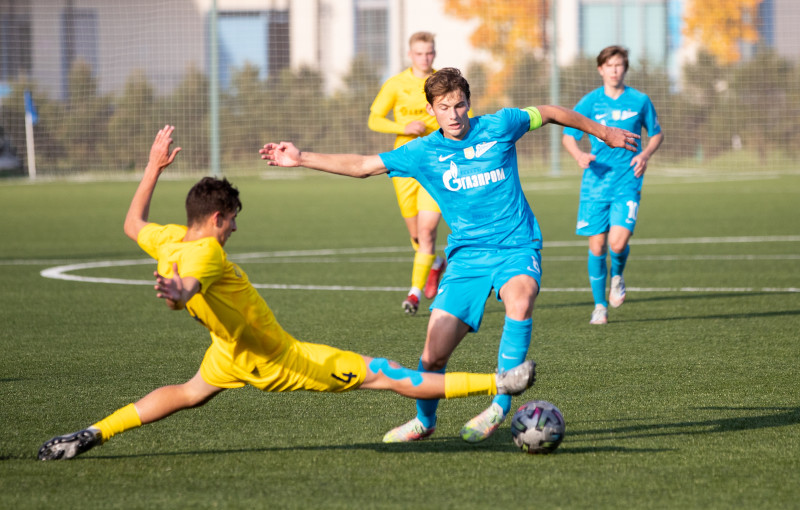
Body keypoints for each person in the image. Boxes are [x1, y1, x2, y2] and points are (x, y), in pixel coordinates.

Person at [36, 125, 537, 461]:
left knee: (189, 392)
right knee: (387, 374)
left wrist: (153, 167)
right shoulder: (208, 252)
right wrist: (176, 293)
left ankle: (93, 433)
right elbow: (190, 285)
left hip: (227, 353)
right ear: (216, 219)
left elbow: (132, 224)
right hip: (280, 361)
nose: (233, 229)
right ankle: (497, 381)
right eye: (232, 221)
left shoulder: (170, 238)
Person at [260, 68, 639, 443]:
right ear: (431, 111)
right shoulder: (422, 152)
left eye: (460, 105)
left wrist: (603, 133)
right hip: (466, 259)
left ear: (469, 104)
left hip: (516, 246)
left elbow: (554, 112)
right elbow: (362, 166)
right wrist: (301, 157)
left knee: (520, 299)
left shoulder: (501, 124)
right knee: (433, 355)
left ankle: (500, 405)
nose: (454, 115)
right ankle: (425, 421)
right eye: (444, 107)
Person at [562, 45, 664, 325]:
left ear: (625, 68)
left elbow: (656, 134)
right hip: (595, 184)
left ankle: (617, 277)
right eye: (609, 65)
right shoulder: (590, 102)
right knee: (597, 247)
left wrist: (644, 154)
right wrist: (579, 154)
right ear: (600, 69)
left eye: (619, 65)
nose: (614, 70)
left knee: (617, 244)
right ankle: (599, 306)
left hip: (627, 181)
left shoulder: (640, 100)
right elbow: (568, 135)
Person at [368, 31, 446, 315]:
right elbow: (374, 118)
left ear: (434, 53)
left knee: (427, 232)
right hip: (403, 165)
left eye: (430, 52)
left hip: (434, 163)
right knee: (416, 236)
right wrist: (403, 128)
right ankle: (436, 263)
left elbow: (461, 115)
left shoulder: (442, 83)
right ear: (410, 55)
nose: (426, 58)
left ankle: (413, 294)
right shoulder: (396, 84)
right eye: (420, 53)